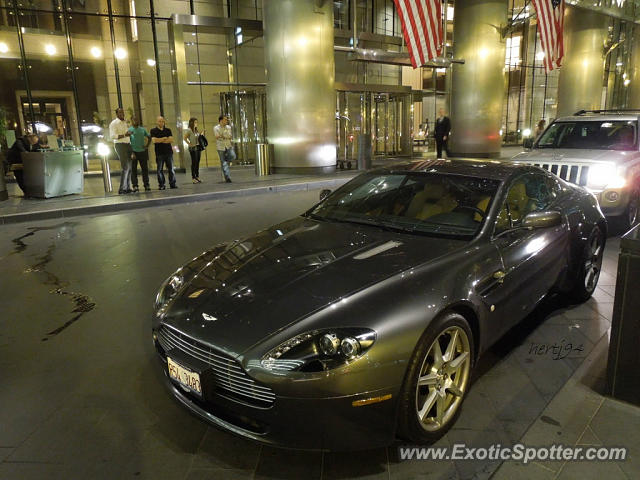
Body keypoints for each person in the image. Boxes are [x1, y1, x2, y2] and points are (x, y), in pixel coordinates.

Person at [109, 107, 132, 194]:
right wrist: (124, 135)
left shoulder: (125, 122)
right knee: (125, 167)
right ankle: (121, 188)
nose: (122, 114)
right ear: (117, 114)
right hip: (120, 145)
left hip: (128, 144)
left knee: (130, 167)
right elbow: (112, 136)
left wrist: (129, 134)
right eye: (120, 112)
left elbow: (127, 134)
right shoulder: (113, 123)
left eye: (123, 112)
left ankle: (127, 188)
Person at [150, 116, 177, 190]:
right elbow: (154, 141)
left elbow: (171, 140)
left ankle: (172, 184)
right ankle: (161, 185)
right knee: (159, 170)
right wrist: (164, 139)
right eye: (159, 121)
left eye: (162, 121)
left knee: (171, 169)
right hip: (159, 153)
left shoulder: (168, 130)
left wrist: (160, 140)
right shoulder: (153, 131)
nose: (161, 122)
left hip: (169, 153)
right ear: (157, 122)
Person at [127, 115, 152, 192]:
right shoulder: (129, 130)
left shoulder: (142, 129)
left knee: (145, 169)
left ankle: (146, 184)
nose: (136, 121)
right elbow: (128, 142)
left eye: (137, 120)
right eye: (134, 120)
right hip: (134, 152)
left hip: (142, 151)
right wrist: (131, 152)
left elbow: (149, 137)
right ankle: (135, 186)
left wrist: (147, 145)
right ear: (131, 121)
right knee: (133, 170)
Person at [213, 114, 233, 183]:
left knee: (233, 156)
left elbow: (230, 136)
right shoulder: (216, 128)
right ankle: (227, 177)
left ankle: (226, 163)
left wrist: (223, 136)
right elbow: (217, 136)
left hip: (228, 145)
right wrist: (224, 136)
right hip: (220, 147)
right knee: (223, 162)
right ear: (221, 120)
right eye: (225, 119)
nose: (226, 121)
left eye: (227, 120)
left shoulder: (228, 127)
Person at [184, 117, 204, 184]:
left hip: (198, 148)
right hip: (193, 148)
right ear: (192, 123)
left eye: (197, 122)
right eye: (195, 122)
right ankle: (193, 177)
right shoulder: (189, 130)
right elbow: (185, 138)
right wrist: (189, 144)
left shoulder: (196, 130)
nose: (196, 124)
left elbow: (198, 138)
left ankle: (197, 176)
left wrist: (201, 134)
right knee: (194, 163)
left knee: (197, 162)